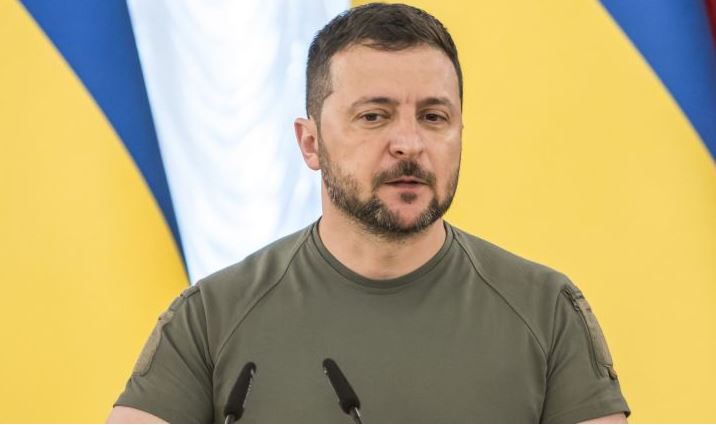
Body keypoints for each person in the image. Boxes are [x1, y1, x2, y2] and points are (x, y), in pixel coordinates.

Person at [108, 3, 630, 423]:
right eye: (374, 116)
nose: (409, 143)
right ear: (310, 143)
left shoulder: (547, 311)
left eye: (433, 117)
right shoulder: (211, 318)